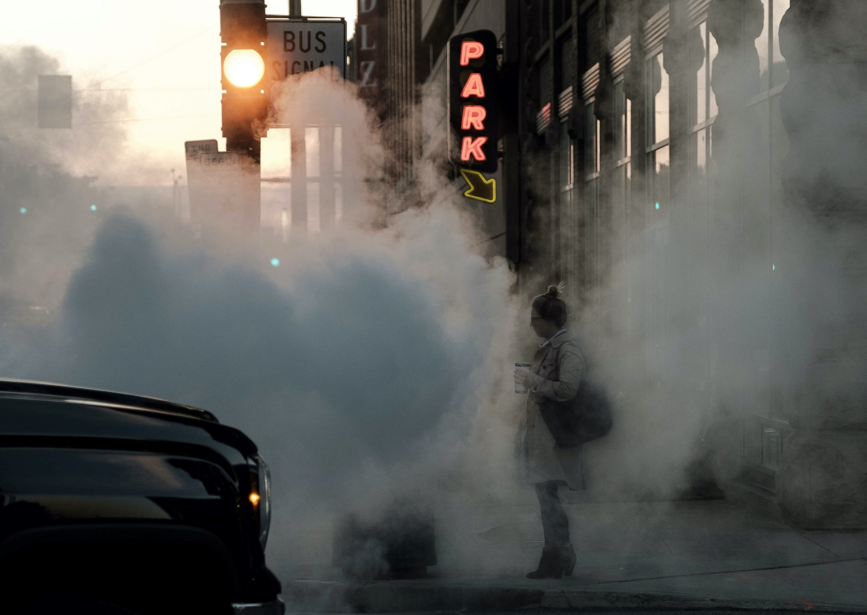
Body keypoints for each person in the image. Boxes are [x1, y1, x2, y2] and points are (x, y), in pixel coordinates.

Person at [513, 284, 585, 579]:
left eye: (535, 319)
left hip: (553, 440)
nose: (531, 324)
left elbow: (568, 388)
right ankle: (554, 557)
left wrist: (532, 380)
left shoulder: (567, 348)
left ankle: (560, 557)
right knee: (545, 498)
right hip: (541, 437)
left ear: (550, 320)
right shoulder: (547, 348)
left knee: (549, 498)